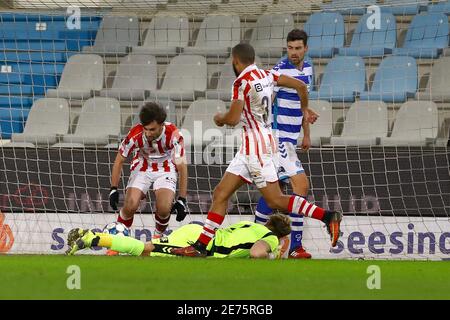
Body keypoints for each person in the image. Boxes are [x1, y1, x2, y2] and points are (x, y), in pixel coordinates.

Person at [171, 43, 342, 258]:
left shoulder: (241, 82)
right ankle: (200, 246)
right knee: (221, 193)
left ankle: (328, 216)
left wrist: (219, 119)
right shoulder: (268, 75)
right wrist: (304, 108)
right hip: (255, 144)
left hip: (256, 147)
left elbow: (233, 119)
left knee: (275, 200)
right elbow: (300, 85)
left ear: (235, 61)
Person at [255, 29, 314, 259]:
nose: (294, 53)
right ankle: (296, 247)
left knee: (273, 195)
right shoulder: (280, 70)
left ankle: (256, 237)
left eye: (298, 48)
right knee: (300, 186)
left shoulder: (308, 68)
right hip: (277, 139)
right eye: (290, 48)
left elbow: (304, 103)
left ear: (305, 48)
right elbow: (266, 98)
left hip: (291, 139)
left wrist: (306, 133)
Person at [108, 102, 188, 247]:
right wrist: (113, 188)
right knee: (130, 205)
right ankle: (118, 242)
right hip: (142, 166)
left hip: (166, 168)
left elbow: (182, 167)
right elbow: (119, 160)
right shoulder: (135, 133)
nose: (148, 133)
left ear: (162, 124)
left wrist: (182, 199)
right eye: (146, 129)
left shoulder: (175, 135)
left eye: (152, 129)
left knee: (164, 209)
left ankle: (157, 239)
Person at [65, 213, 292, 259]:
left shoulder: (249, 224)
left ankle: (94, 237)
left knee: (148, 251)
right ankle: (92, 237)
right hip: (200, 246)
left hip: (198, 232)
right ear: (280, 236)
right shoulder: (270, 239)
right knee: (146, 249)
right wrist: (271, 255)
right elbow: (256, 252)